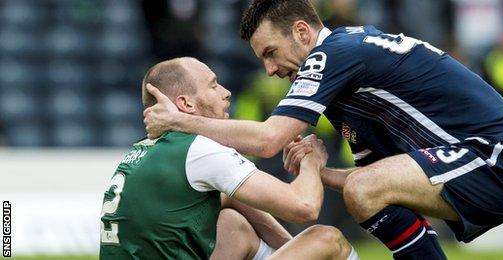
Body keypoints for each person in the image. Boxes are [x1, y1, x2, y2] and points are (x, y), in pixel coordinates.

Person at [143, 1, 503, 259]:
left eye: (271, 52)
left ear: (302, 32)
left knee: (365, 190)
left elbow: (269, 140)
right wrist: (318, 169)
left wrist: (179, 120)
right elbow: (371, 179)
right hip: (481, 160)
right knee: (367, 193)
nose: (270, 69)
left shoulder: (334, 53)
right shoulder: (345, 88)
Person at [100, 57, 359, 260]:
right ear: (185, 104)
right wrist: (311, 162)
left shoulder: (144, 150)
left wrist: (297, 251)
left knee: (233, 226)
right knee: (327, 239)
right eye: (213, 85)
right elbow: (304, 206)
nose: (226, 92)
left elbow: (230, 198)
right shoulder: (199, 149)